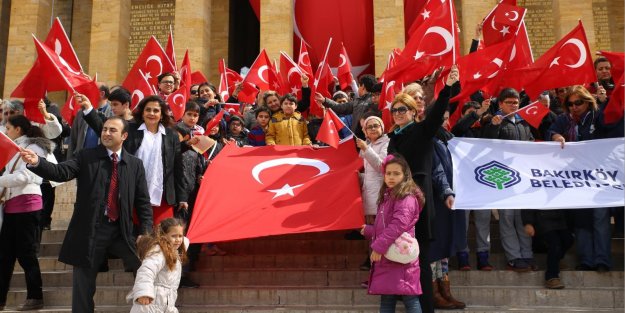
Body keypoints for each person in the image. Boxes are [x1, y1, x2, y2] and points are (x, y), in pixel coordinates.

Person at [20, 116, 153, 312]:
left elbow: (143, 202)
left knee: (146, 267)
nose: (106, 133)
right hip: (90, 230)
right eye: (104, 129)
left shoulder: (134, 164)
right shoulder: (86, 156)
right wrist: (37, 162)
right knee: (83, 286)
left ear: (124, 135)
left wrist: (145, 231)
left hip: (122, 231)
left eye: (112, 130)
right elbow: (61, 172)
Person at [387, 66, 458, 313]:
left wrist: (447, 86)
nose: (397, 113)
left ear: (413, 111)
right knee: (399, 260)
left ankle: (426, 308)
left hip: (419, 207)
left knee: (421, 262)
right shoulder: (392, 139)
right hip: (396, 208)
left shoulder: (422, 131)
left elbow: (438, 113)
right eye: (394, 110)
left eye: (402, 109)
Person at [81, 94, 188, 227]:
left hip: (163, 198)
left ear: (162, 114)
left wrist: (182, 197)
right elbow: (104, 129)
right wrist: (88, 109)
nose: (151, 113)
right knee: (137, 237)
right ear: (142, 113)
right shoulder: (130, 130)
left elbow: (177, 167)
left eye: (156, 110)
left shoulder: (171, 135)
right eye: (148, 110)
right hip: (132, 194)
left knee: (162, 240)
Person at [548, 85, 610, 272]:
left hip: (601, 177)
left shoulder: (598, 115)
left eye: (578, 102)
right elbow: (550, 131)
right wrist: (556, 136)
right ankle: (586, 260)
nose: (574, 107)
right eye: (570, 103)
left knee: (600, 218)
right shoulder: (564, 120)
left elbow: (611, 126)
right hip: (577, 179)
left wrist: (604, 102)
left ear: (587, 101)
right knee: (582, 220)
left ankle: (602, 260)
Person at [0, 116, 57, 311]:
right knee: (4, 256)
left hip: (28, 207)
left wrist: (1, 181)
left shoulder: (33, 149)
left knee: (26, 255)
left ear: (18, 129)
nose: (6, 131)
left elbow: (26, 176)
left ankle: (35, 296)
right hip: (11, 207)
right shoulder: (15, 149)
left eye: (8, 128)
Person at [361, 154, 424, 313]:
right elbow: (386, 226)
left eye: (396, 173)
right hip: (390, 255)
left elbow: (398, 224)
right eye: (388, 173)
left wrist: (378, 247)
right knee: (388, 299)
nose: (391, 177)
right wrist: (369, 230)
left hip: (398, 256)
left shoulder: (405, 197)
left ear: (405, 175)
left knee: (410, 298)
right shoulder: (388, 195)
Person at [482, 87, 535, 272]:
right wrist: (494, 126)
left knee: (522, 218)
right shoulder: (494, 121)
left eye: (516, 102)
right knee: (507, 218)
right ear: (500, 104)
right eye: (509, 102)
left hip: (522, 178)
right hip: (503, 178)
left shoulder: (523, 123)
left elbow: (531, 143)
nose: (513, 105)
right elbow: (486, 143)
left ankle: (527, 255)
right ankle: (514, 257)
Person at [126, 218, 188, 313]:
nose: (178, 239)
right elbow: (146, 270)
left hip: (165, 303)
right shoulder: (159, 252)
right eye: (174, 236)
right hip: (150, 305)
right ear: (164, 236)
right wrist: (144, 292)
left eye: (180, 236)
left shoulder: (173, 252)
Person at [355, 114, 389, 272]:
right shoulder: (367, 146)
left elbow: (382, 167)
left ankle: (381, 268)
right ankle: (373, 267)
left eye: (376, 125)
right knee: (371, 234)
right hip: (369, 196)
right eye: (370, 127)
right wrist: (357, 177)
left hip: (381, 197)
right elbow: (369, 174)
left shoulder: (387, 143)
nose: (373, 129)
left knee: (380, 233)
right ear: (365, 132)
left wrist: (365, 149)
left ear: (382, 128)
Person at [522, 209, 574, 289]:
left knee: (568, 239)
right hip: (542, 220)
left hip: (560, 220)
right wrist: (528, 223)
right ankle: (551, 277)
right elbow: (529, 203)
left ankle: (555, 261)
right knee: (555, 244)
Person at [315, 74, 378, 139]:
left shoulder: (374, 101)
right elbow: (340, 107)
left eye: (359, 85)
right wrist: (324, 100)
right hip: (358, 139)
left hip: (370, 138)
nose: (358, 88)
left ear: (363, 86)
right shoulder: (358, 101)